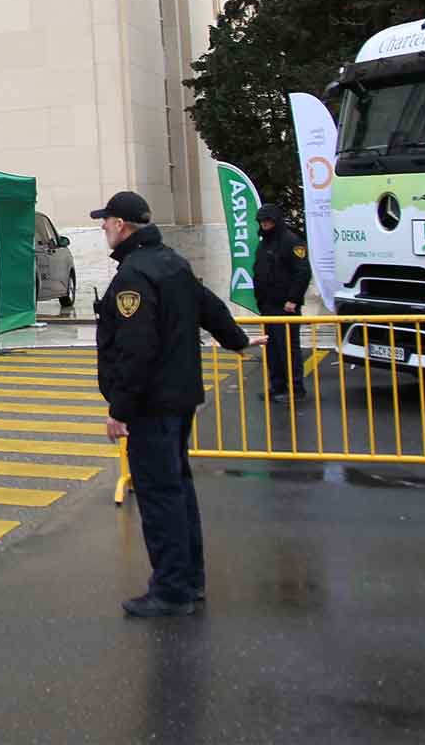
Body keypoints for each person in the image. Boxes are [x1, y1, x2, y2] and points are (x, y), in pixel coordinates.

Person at [90, 190, 249, 618]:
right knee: (177, 491)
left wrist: (119, 410)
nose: (103, 227)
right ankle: (189, 579)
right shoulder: (172, 263)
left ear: (122, 226)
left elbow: (137, 351)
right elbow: (210, 308)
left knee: (160, 496)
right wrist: (238, 341)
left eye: (105, 221)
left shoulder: (134, 277)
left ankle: (172, 590)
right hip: (178, 400)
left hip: (152, 405)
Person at [252, 205, 312, 402]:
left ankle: (295, 389)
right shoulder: (264, 243)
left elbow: (302, 272)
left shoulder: (291, 241)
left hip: (285, 307)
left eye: (268, 221)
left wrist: (293, 300)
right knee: (272, 349)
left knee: (288, 348)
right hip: (268, 305)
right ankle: (277, 386)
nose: (265, 224)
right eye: (262, 221)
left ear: (276, 220)